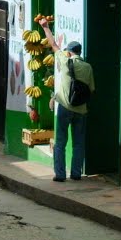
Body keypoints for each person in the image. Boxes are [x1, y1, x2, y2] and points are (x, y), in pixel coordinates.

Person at [38, 17, 95, 182]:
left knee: (61, 143)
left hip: (64, 107)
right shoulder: (88, 67)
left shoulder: (65, 61)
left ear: (69, 52)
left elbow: (54, 45)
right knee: (79, 143)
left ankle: (60, 174)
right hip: (81, 110)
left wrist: (46, 28)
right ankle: (76, 173)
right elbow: (92, 89)